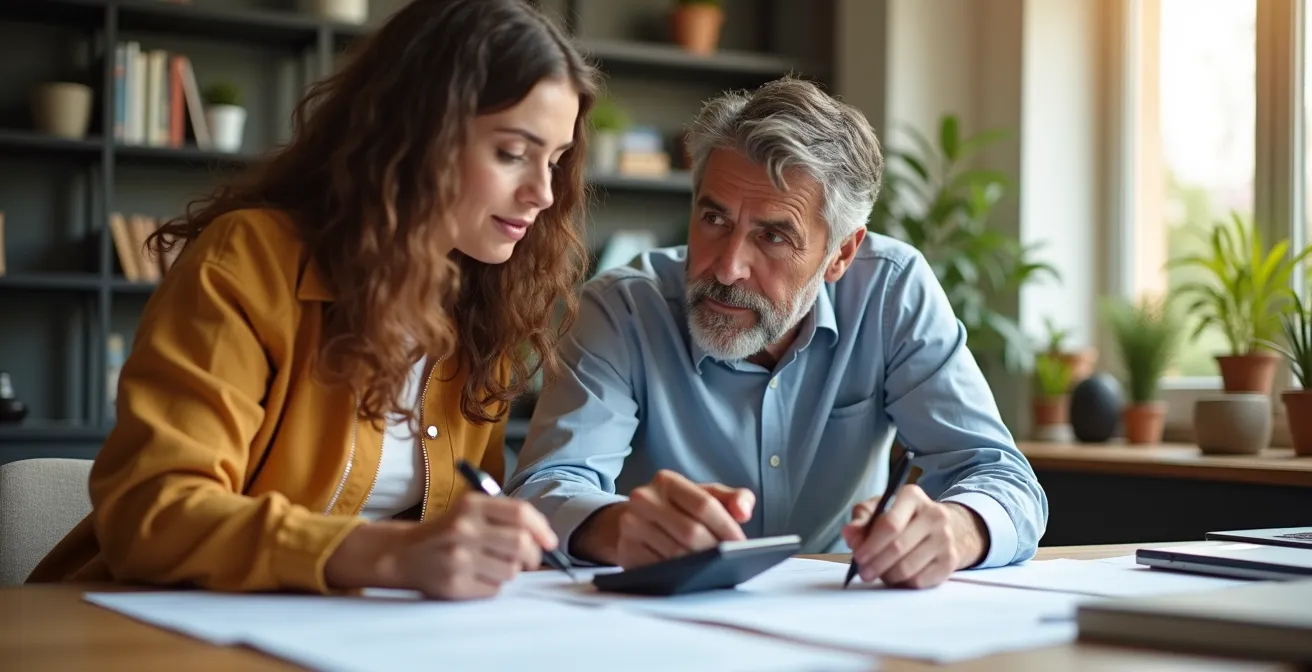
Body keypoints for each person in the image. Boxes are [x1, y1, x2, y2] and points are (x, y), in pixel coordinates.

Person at [28, 0, 597, 601]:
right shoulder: (249, 259)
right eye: (512, 153)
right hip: (141, 628)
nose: (542, 193)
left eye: (556, 161)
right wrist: (392, 555)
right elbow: (153, 514)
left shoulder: (486, 305)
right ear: (415, 132)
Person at [506, 76, 1048, 589]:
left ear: (841, 253)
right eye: (714, 219)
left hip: (841, 613)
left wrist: (959, 527)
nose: (726, 267)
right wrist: (621, 527)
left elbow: (1002, 477)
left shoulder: (891, 293)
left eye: (773, 236)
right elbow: (545, 488)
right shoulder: (622, 309)